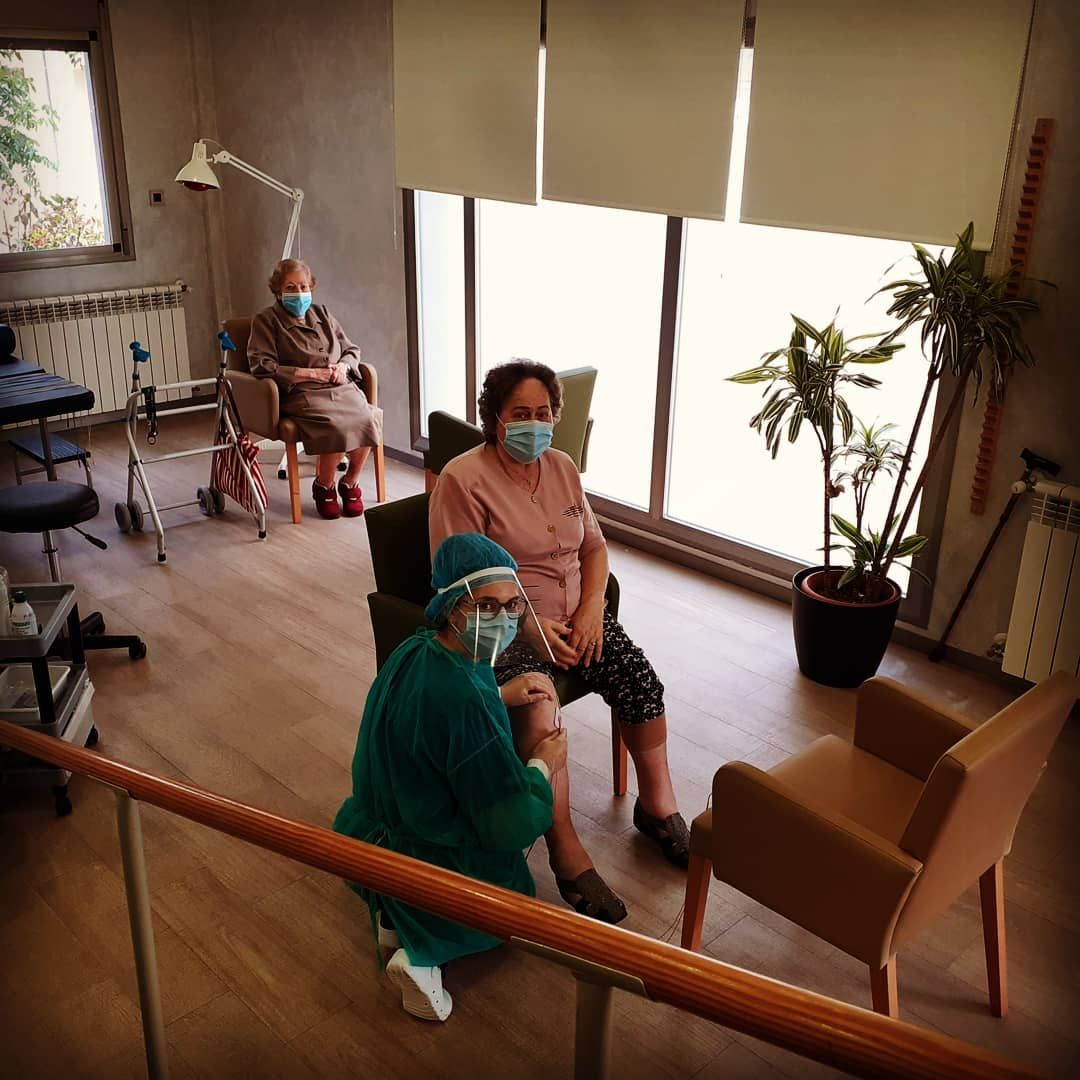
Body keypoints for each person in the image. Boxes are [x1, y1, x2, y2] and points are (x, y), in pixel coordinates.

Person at [429, 359, 690, 926]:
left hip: (577, 619)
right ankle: (566, 850)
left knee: (639, 678)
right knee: (539, 707)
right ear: (495, 418)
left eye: (544, 413)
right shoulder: (463, 480)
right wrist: (528, 625)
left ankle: (657, 806)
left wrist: (593, 608)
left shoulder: (563, 466)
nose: (535, 424)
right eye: (521, 413)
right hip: (503, 627)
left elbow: (593, 547)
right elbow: (460, 579)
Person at [333, 533, 567, 1022]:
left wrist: (498, 695)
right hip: (435, 853)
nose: (502, 618)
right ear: (450, 605)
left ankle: (392, 909)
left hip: (374, 829)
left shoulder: (415, 650)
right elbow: (508, 822)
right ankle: (423, 956)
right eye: (485, 606)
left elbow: (432, 718)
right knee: (511, 893)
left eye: (511, 605)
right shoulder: (468, 704)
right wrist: (543, 763)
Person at [248, 258, 382, 519]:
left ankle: (350, 482)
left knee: (368, 419)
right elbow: (261, 365)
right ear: (277, 290)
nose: (298, 293)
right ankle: (324, 485)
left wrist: (343, 366)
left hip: (339, 385)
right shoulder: (265, 321)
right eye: (290, 287)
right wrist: (310, 373)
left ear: (311, 287)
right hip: (301, 391)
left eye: (303, 286)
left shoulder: (322, 313)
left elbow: (351, 349)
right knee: (335, 426)